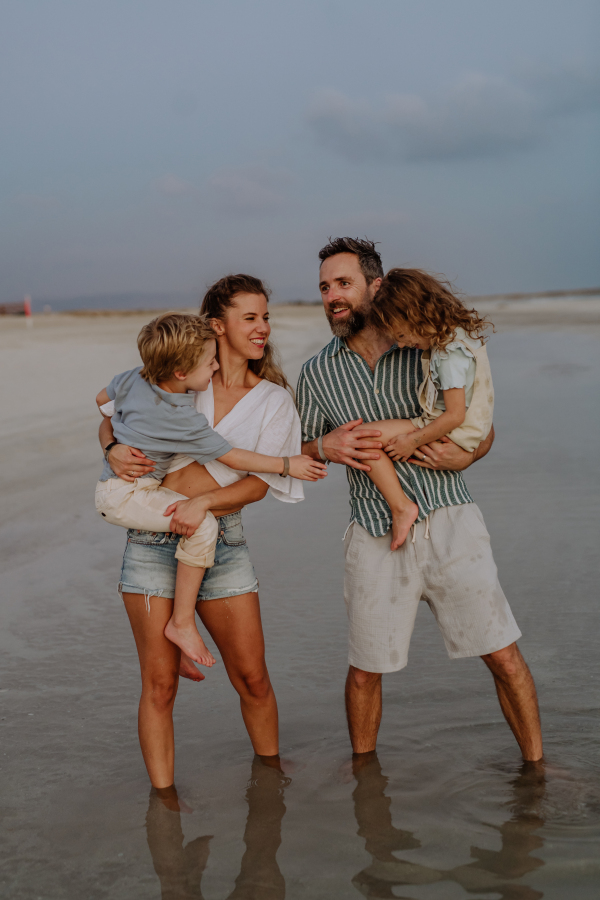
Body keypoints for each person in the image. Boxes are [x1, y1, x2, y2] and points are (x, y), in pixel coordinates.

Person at [297, 237, 543, 762]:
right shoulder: (317, 373)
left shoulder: (426, 344)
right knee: (365, 668)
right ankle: (367, 786)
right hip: (372, 529)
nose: (332, 297)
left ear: (375, 286)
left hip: (453, 521)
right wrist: (324, 445)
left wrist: (467, 458)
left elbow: (482, 427)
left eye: (344, 284)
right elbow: (295, 450)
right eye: (324, 287)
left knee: (503, 654)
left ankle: (538, 770)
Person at [98, 274, 307, 793]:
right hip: (152, 542)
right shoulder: (182, 375)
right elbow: (113, 417)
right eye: (250, 318)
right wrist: (109, 449)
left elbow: (258, 484)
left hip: (220, 540)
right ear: (218, 325)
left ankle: (269, 784)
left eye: (265, 317)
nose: (263, 328)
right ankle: (164, 805)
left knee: (252, 679)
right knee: (160, 685)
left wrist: (204, 503)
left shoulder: (274, 401)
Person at [95, 312, 325, 667]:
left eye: (265, 316)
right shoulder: (181, 414)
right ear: (181, 372)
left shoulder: (134, 379)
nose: (215, 366)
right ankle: (182, 623)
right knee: (203, 526)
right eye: (209, 362)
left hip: (123, 489)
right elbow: (232, 457)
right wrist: (286, 464)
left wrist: (118, 439)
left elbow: (102, 404)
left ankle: (179, 636)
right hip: (129, 495)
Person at [356, 267, 495, 548]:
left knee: (361, 439)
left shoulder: (449, 353)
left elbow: (455, 414)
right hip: (470, 429)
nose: (403, 344)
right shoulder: (461, 336)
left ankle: (401, 507)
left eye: (403, 336)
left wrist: (411, 441)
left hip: (455, 431)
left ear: (416, 315)